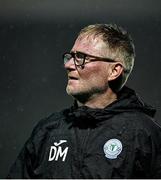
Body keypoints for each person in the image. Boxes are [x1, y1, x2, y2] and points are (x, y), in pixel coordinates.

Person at [7, 23, 161, 178]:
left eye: (81, 57)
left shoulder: (143, 134)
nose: (67, 65)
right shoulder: (47, 131)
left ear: (114, 71)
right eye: (70, 57)